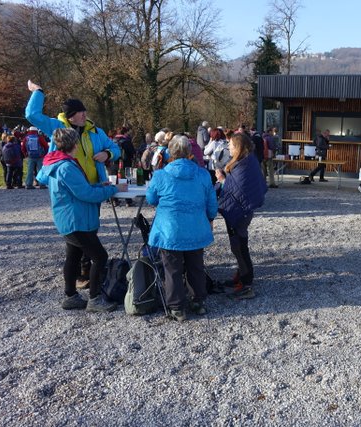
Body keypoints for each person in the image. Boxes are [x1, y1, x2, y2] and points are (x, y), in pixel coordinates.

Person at [25, 79, 121, 286]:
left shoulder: (95, 131)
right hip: (71, 187)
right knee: (79, 234)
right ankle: (82, 278)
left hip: (94, 187)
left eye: (85, 111)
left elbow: (116, 149)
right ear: (70, 116)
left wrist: (107, 153)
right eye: (80, 112)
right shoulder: (57, 127)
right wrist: (38, 91)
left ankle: (86, 273)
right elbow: (31, 115)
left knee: (89, 231)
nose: (85, 115)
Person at [37, 128, 124, 312]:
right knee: (100, 257)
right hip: (76, 220)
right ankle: (95, 299)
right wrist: (112, 189)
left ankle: (71, 296)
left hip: (69, 218)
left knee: (73, 256)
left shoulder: (57, 162)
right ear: (75, 144)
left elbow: (79, 188)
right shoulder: (66, 167)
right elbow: (85, 194)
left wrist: (98, 185)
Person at [145, 135, 217, 322]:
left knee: (172, 269)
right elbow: (211, 203)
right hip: (195, 228)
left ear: (170, 152)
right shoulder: (202, 174)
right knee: (196, 266)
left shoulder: (160, 175)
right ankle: (198, 301)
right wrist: (210, 218)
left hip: (170, 229)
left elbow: (151, 199)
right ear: (190, 153)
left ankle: (177, 307)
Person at [215, 132, 267, 299]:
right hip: (242, 211)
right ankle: (241, 277)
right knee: (239, 246)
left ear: (237, 147)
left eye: (230, 145)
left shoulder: (244, 164)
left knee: (239, 247)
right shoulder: (248, 160)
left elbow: (237, 190)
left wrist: (222, 179)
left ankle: (247, 284)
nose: (228, 147)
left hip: (240, 212)